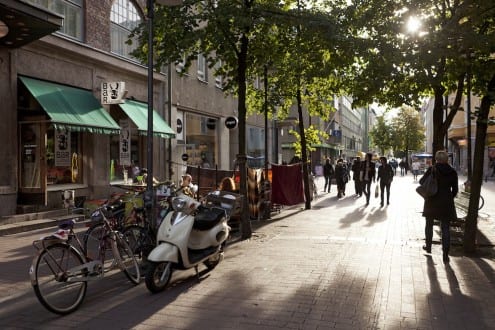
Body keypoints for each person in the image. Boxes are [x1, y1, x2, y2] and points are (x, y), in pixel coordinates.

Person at [420, 150, 458, 263]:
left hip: (432, 201)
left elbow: (422, 181)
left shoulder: (432, 169)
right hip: (446, 203)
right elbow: (455, 190)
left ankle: (428, 246)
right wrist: (448, 197)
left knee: (429, 224)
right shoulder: (452, 172)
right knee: (445, 228)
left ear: (437, 159)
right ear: (447, 159)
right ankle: (445, 254)